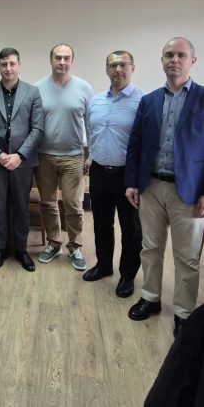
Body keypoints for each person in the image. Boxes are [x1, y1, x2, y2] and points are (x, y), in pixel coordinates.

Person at [125, 36, 204, 337]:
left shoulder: (202, 98)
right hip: (151, 186)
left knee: (187, 256)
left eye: (181, 55)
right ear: (162, 61)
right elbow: (135, 144)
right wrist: (132, 182)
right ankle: (150, 297)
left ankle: (184, 313)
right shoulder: (149, 101)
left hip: (189, 191)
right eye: (169, 55)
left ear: (192, 61)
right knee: (151, 247)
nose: (174, 60)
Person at [83, 51, 143, 298]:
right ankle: (104, 265)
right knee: (101, 222)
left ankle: (127, 275)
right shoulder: (96, 101)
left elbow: (146, 141)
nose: (118, 69)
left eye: (123, 64)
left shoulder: (143, 101)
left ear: (132, 68)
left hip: (127, 176)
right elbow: (92, 132)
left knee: (130, 228)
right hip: (99, 171)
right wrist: (91, 155)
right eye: (113, 65)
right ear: (106, 69)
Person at [0, 47, 44, 271]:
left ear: (19, 65)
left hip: (23, 162)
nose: (8, 68)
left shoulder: (33, 92)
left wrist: (19, 155)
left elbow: (37, 128)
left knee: (21, 208)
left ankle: (21, 250)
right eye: (4, 64)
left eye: (12, 64)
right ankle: (0, 249)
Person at [35, 44, 94, 270]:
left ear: (72, 61)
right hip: (44, 156)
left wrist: (91, 154)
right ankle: (53, 243)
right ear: (51, 60)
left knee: (73, 204)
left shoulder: (84, 88)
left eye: (66, 58)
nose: (62, 62)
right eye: (58, 57)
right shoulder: (38, 88)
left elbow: (91, 123)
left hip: (73, 157)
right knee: (48, 203)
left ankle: (75, 246)